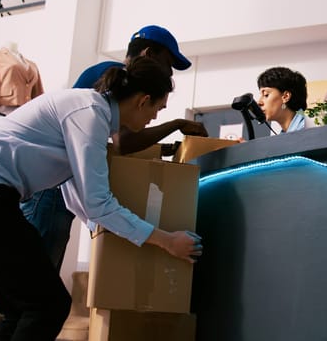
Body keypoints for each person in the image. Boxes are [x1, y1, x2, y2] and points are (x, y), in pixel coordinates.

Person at [0, 56, 203, 341]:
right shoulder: (90, 113)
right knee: (48, 306)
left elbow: (76, 195)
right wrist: (166, 240)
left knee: (21, 310)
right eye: (158, 108)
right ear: (143, 101)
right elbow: (97, 203)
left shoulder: (91, 112)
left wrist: (104, 235)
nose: (154, 118)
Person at [20, 25, 208, 272]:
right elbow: (124, 143)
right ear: (148, 54)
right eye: (167, 64)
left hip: (52, 185)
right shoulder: (106, 89)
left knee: (40, 289)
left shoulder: (104, 94)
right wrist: (176, 124)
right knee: (37, 287)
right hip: (47, 189)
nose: (169, 73)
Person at [0, 41, 44, 115]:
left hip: (27, 112)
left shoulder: (32, 64)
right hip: (3, 109)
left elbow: (39, 95)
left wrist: (43, 114)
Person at [256, 66, 308, 133]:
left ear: (286, 97)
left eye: (266, 95)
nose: (259, 102)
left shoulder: (310, 128)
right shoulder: (285, 136)